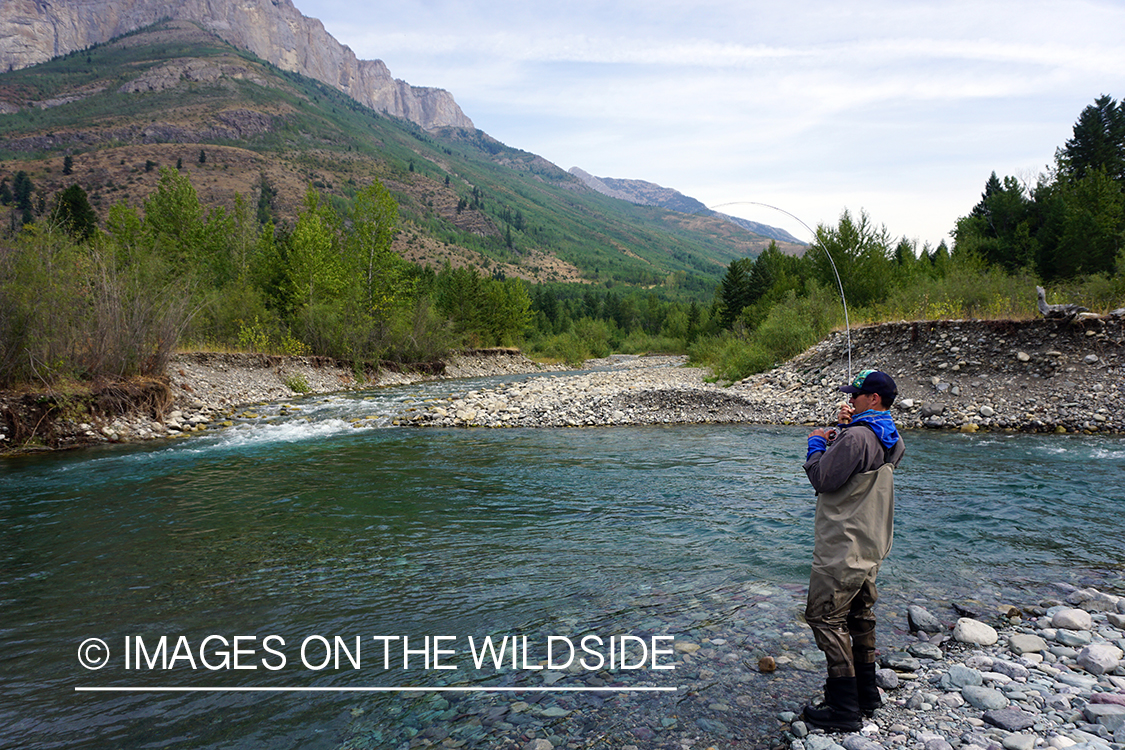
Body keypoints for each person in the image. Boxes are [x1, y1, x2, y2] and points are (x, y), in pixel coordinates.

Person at [801, 369, 905, 732]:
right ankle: (867, 693)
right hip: (871, 544)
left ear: (873, 399)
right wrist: (843, 428)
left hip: (841, 547)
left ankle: (843, 707)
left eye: (857, 395)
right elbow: (855, 457)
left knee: (825, 618)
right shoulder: (891, 437)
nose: (852, 399)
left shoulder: (856, 438)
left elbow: (822, 478)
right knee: (860, 616)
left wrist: (817, 441)